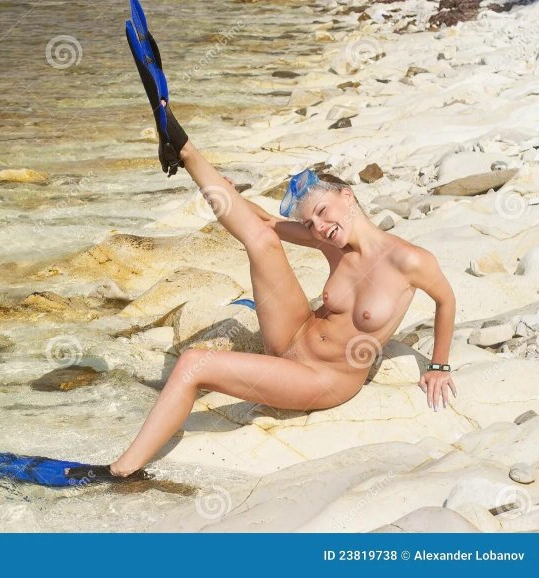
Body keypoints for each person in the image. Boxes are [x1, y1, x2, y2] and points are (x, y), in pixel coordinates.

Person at [111, 2, 458, 478]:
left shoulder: (409, 261)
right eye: (311, 223)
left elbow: (446, 300)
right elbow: (265, 226)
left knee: (193, 363)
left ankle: (119, 471)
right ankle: (184, 147)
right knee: (261, 241)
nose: (320, 228)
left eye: (323, 213)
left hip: (323, 378)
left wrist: (439, 365)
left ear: (348, 196)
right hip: (291, 335)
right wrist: (221, 186)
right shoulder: (331, 243)